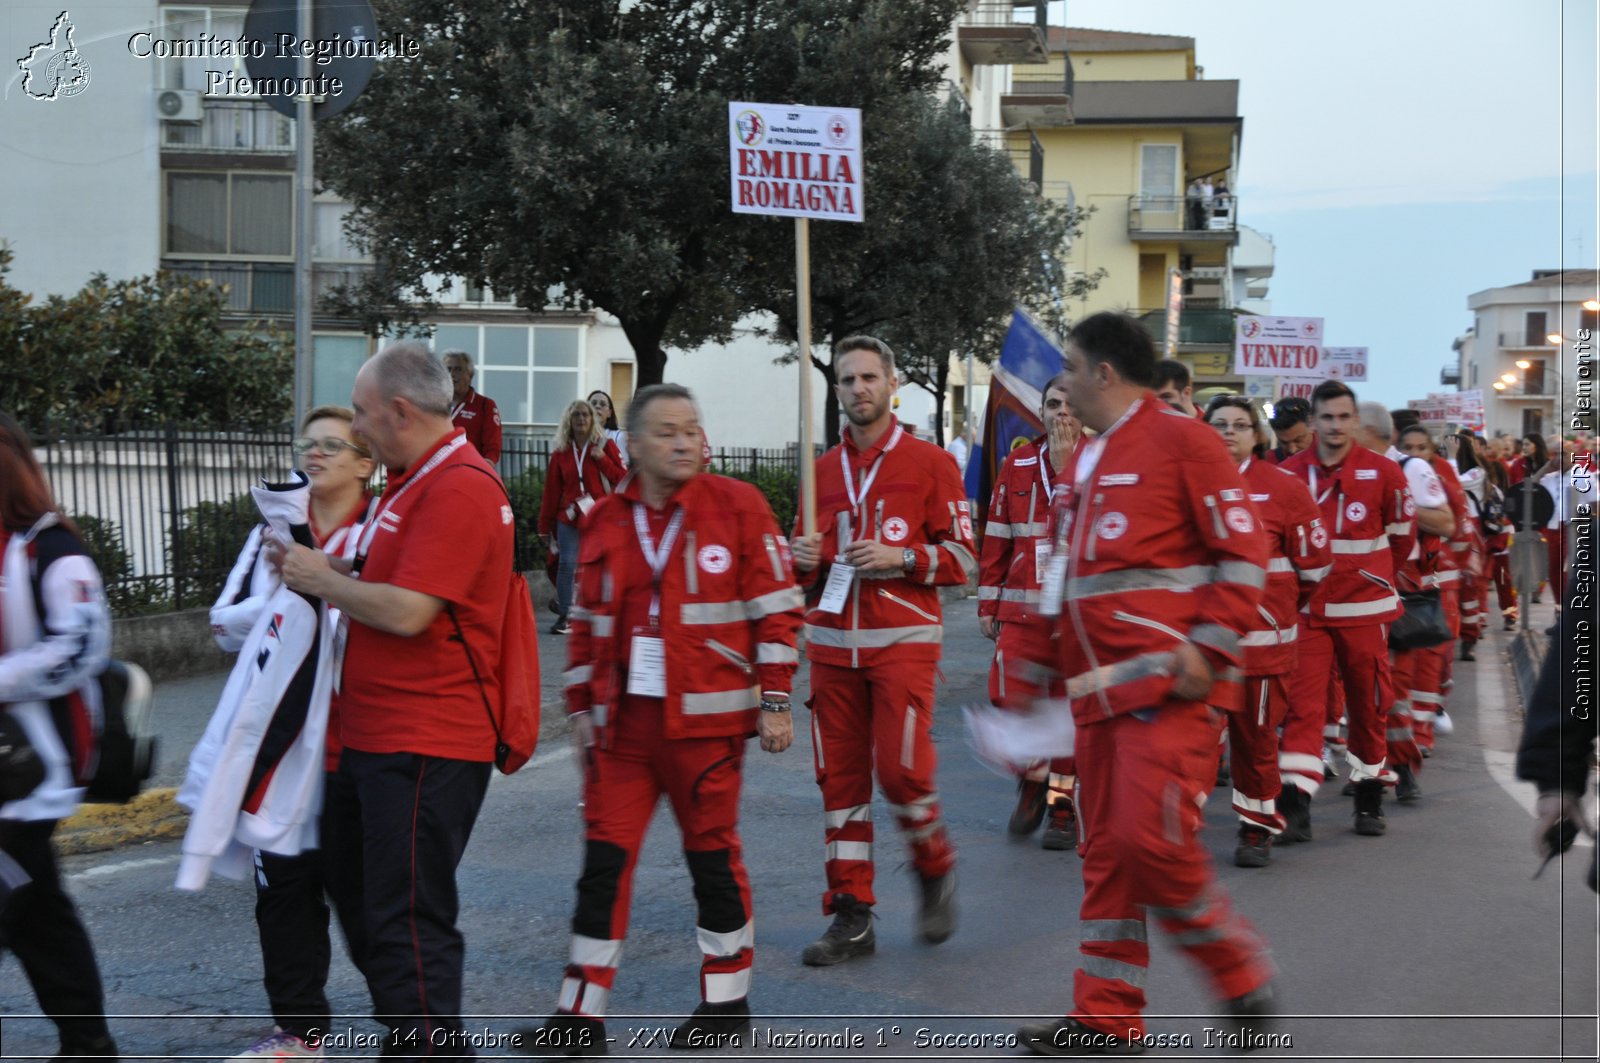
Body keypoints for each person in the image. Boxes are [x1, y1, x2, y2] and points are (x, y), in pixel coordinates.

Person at [1002, 313, 1275, 1055]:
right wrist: (1026, 681)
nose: (1058, 381)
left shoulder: (1185, 440)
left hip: (1169, 692)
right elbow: (1056, 581)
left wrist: (1210, 647)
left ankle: (1238, 970)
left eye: (1070, 366)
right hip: (1096, 700)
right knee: (1106, 855)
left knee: (1146, 841)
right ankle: (1106, 1017)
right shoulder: (1084, 461)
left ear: (1105, 373)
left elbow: (1243, 554)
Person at [540, 384, 804, 1053]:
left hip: (706, 726)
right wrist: (579, 708)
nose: (684, 441)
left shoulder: (738, 506)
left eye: (692, 428)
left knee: (710, 860)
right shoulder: (604, 518)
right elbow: (586, 625)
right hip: (625, 729)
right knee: (603, 863)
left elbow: (777, 607)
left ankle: (726, 1001)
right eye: (667, 431)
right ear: (632, 443)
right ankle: (579, 1016)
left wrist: (775, 699)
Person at [274, 342, 514, 1060]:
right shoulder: (416, 482)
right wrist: (330, 564)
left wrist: (323, 579)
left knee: (408, 918)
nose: (355, 424)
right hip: (390, 738)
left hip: (425, 739)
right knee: (382, 912)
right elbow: (393, 569)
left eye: (361, 410)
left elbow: (411, 609)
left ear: (400, 410)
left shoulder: (461, 486)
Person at [789, 335, 976, 966]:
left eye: (870, 377)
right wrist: (803, 559)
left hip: (902, 645)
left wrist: (906, 557)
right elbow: (802, 564)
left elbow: (966, 559)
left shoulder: (930, 464)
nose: (859, 388)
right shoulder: (819, 474)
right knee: (840, 784)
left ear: (891, 384)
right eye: (847, 379)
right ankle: (851, 914)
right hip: (833, 648)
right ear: (836, 388)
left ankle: (933, 866)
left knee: (902, 775)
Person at [205, 407, 375, 1061]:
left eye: (334, 444)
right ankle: (299, 1033)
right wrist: (292, 595)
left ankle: (418, 1029)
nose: (316, 454)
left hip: (357, 745)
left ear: (366, 462)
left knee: (367, 904)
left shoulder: (383, 530)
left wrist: (329, 583)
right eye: (310, 442)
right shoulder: (272, 529)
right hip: (283, 746)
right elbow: (223, 623)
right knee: (282, 889)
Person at [0, 411, 118, 1063]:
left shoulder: (51, 546)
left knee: (24, 902)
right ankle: (89, 1042)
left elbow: (81, 645)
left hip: (31, 766)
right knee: (39, 912)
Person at [1280, 383, 1416, 838]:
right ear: (1313, 422)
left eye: (1343, 417)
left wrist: (1371, 577)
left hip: (1365, 609)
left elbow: (1402, 537)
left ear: (1355, 421)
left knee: (1368, 705)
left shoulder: (1384, 473)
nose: (1335, 426)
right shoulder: (1290, 473)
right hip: (1310, 612)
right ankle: (1294, 804)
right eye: (1327, 417)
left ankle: (1368, 795)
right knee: (1302, 708)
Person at [1204, 396, 1330, 868]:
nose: (1229, 432)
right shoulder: (1185, 485)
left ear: (1258, 435)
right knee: (1193, 744)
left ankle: (1256, 828)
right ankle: (1173, 834)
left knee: (1256, 744)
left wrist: (1277, 615)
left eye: (1240, 424)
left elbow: (1314, 567)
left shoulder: (1284, 488)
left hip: (1263, 649)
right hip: (1202, 649)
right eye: (1220, 424)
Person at [977, 375, 1082, 849]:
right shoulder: (1017, 462)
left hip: (1076, 616)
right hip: (1021, 610)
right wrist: (988, 599)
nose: (1060, 413)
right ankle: (1031, 777)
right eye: (1051, 404)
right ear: (1039, 412)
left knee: (1069, 712)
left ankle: (1062, 807)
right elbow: (997, 534)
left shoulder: (1101, 462)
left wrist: (1064, 469)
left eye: (1069, 405)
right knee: (1010, 699)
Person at [539, 401, 626, 636]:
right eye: (576, 414)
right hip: (569, 516)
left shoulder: (604, 446)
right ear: (569, 419)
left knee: (603, 564)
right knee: (567, 564)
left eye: (585, 414)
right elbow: (551, 492)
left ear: (593, 419)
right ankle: (567, 615)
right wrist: (544, 527)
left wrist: (601, 459)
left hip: (599, 516)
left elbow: (623, 478)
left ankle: (607, 612)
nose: (581, 419)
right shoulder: (561, 452)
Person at [441, 350, 503, 464]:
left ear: (470, 375)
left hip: (467, 470)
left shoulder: (485, 406)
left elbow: (492, 448)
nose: (452, 374)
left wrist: (483, 468)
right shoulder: (432, 404)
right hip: (437, 472)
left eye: (458, 369)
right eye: (448, 369)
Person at [1538, 441, 1580, 602]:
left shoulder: (1584, 476)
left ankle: (1571, 605)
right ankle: (1560, 605)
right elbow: (1527, 491)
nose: (1559, 458)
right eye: (1555, 454)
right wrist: (1544, 469)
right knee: (1553, 570)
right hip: (1552, 527)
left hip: (1574, 528)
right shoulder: (1547, 478)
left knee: (1569, 570)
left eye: (1563, 454)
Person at [586, 390, 629, 468]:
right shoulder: (578, 436)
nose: (597, 406)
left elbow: (625, 469)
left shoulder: (619, 437)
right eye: (593, 403)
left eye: (603, 404)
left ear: (609, 413)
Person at [1266, 397, 1313, 463]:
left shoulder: (1330, 457)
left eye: (1298, 440)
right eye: (1284, 443)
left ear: (1312, 425)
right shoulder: (1267, 462)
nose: (1292, 450)